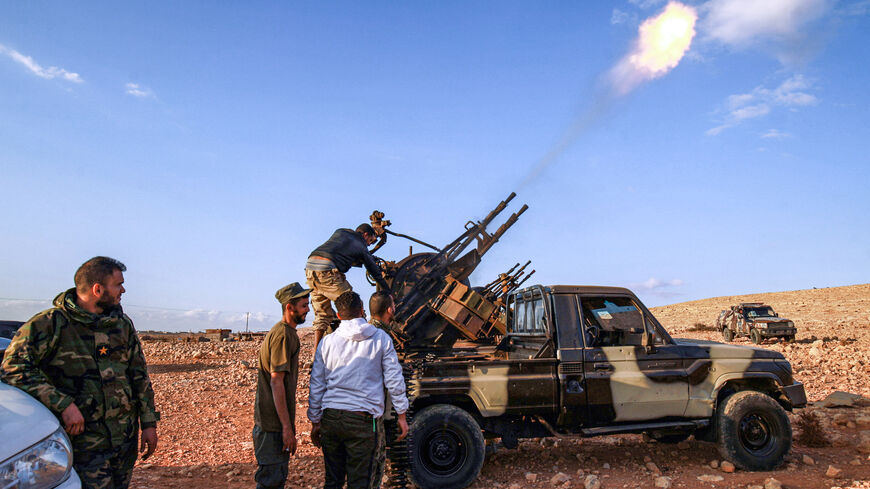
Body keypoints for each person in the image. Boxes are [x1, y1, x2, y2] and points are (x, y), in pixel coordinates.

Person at [1, 256, 159, 489]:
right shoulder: (49, 325)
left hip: (122, 441)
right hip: (84, 445)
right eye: (118, 284)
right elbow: (13, 368)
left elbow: (139, 377)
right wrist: (63, 404)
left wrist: (148, 424)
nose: (123, 290)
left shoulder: (121, 324)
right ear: (97, 289)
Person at [308, 291, 409, 489]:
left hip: (331, 419)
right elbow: (394, 380)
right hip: (363, 422)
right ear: (362, 310)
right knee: (361, 482)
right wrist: (402, 415)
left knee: (333, 481)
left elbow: (317, 384)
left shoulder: (327, 342)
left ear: (338, 315)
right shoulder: (381, 339)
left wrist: (315, 420)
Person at [253, 282, 311, 489]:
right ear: (289, 307)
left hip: (273, 424)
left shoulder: (285, 332)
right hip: (272, 427)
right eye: (304, 306)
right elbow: (276, 380)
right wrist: (286, 428)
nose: (308, 310)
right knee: (271, 481)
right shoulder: (284, 335)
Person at [305, 224, 390, 350]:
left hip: (310, 268)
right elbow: (373, 270)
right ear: (365, 234)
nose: (369, 245)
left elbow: (343, 251)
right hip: (327, 271)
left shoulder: (341, 231)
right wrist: (386, 289)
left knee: (322, 316)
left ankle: (316, 356)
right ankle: (363, 349)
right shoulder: (361, 245)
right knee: (354, 305)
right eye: (370, 241)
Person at [368, 291, 400, 489]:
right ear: (389, 309)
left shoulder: (368, 330)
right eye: (394, 305)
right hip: (374, 409)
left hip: (364, 407)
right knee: (375, 455)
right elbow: (391, 377)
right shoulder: (381, 336)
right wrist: (401, 414)